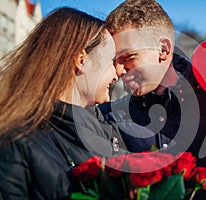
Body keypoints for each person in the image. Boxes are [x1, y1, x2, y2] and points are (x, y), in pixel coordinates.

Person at [99, 0, 206, 199]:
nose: (118, 70)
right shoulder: (111, 119)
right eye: (114, 61)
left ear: (163, 50)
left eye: (128, 57)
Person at [0, 7, 127, 200]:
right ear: (82, 60)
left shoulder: (108, 131)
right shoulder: (16, 144)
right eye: (111, 60)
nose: (118, 72)